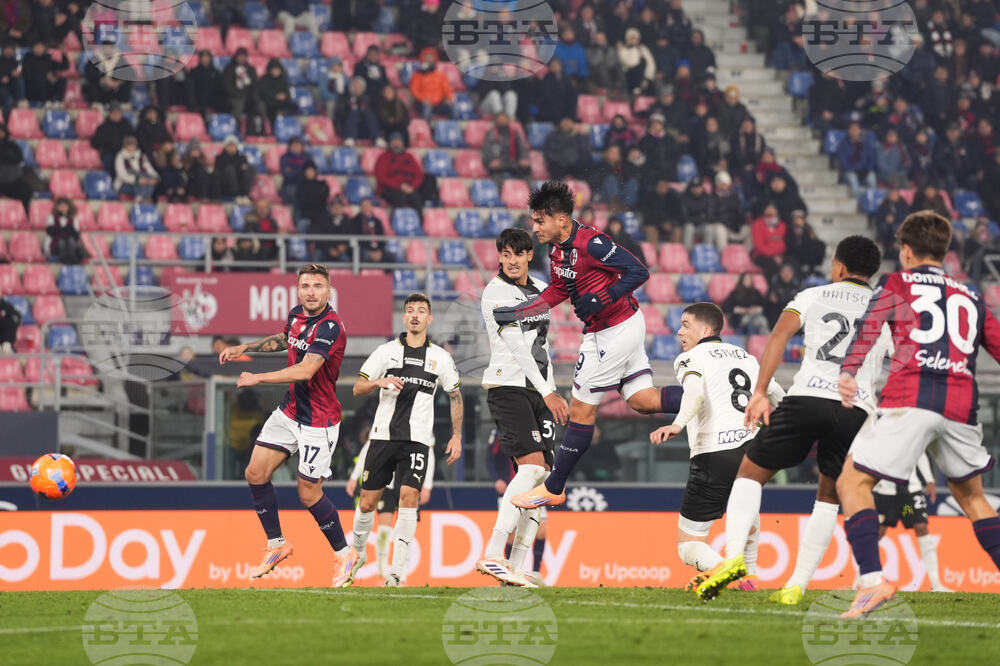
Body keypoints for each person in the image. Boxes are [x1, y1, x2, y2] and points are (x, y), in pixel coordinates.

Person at [692, 236, 890, 603]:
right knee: (829, 495)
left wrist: (760, 392)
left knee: (750, 473)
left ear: (840, 267)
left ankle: (734, 556)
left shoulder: (813, 295)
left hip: (807, 397)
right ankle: (797, 584)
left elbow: (779, 334)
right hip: (856, 409)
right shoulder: (886, 308)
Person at [833, 212, 1000, 618]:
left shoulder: (896, 282)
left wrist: (849, 372)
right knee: (973, 498)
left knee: (852, 481)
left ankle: (872, 581)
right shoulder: (971, 294)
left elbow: (869, 328)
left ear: (905, 251)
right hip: (961, 406)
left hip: (911, 397)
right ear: (944, 251)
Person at [493, 181, 683, 508]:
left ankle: (554, 486)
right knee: (642, 400)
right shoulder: (555, 251)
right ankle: (707, 396)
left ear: (562, 220)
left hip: (616, 329)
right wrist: (520, 312)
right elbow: (557, 291)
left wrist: (604, 296)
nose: (534, 227)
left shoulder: (592, 243)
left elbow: (638, 271)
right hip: (608, 330)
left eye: (539, 221)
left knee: (580, 408)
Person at [218, 263, 359, 587]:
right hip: (291, 410)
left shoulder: (331, 327)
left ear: (328, 290)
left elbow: (305, 371)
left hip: (318, 420)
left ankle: (344, 553)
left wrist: (258, 376)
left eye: (317, 286)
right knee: (255, 473)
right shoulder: (297, 315)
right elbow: (285, 338)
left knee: (308, 494)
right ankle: (277, 544)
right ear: (298, 289)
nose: (311, 292)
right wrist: (246, 348)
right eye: (306, 286)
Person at [650, 303, 784, 591]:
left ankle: (727, 570)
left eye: (686, 325)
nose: (679, 331)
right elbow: (776, 393)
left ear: (706, 330)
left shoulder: (690, 357)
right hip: (755, 447)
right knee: (747, 510)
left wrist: (678, 423)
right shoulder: (746, 356)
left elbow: (695, 393)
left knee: (688, 546)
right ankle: (749, 578)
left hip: (715, 451)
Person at [346, 293, 464, 587]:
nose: (415, 315)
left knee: (408, 499)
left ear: (429, 319)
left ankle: (397, 572)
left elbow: (455, 395)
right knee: (367, 504)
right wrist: (378, 382)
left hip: (418, 441)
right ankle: (357, 555)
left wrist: (457, 435)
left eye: (421, 311)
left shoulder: (440, 357)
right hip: (383, 437)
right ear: (404, 317)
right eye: (410, 310)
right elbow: (357, 388)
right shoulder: (386, 352)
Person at [476, 229, 569, 587]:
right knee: (531, 469)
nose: (511, 260)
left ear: (531, 255)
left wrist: (550, 387)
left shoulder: (541, 288)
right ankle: (493, 553)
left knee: (542, 478)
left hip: (540, 388)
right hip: (509, 386)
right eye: (505, 254)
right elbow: (516, 347)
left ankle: (514, 568)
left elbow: (540, 346)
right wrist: (549, 392)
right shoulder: (495, 293)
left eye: (518, 253)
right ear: (499, 256)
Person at [345, 436, 435, 581]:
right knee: (384, 529)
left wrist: (427, 484)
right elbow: (369, 449)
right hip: (387, 482)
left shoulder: (421, 418)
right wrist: (354, 476)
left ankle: (401, 573)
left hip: (407, 479)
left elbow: (428, 452)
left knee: (406, 525)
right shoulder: (385, 421)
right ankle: (381, 571)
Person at [872, 453, 950, 592]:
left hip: (910, 493)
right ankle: (861, 580)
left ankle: (936, 584)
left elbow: (919, 452)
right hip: (884, 491)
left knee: (921, 526)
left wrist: (929, 480)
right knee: (877, 531)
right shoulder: (877, 431)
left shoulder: (911, 431)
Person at [374, 133, 426, 211]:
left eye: (398, 141)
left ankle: (420, 221)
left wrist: (412, 186)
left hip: (409, 187)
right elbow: (381, 177)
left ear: (402, 144)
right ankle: (395, 220)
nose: (396, 144)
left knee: (416, 198)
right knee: (401, 196)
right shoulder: (383, 157)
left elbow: (418, 175)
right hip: (389, 189)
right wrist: (400, 186)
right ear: (389, 144)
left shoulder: (409, 157)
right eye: (394, 142)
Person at [222, 47, 265, 132]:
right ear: (236, 57)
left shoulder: (251, 69)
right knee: (238, 105)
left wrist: (253, 96)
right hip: (235, 97)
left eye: (243, 56)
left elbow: (255, 86)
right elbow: (227, 86)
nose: (241, 58)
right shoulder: (229, 69)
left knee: (261, 105)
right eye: (239, 56)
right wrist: (238, 94)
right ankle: (237, 129)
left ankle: (262, 128)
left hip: (249, 97)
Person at [481, 112, 530, 183]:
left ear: (508, 120)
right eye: (499, 119)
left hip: (513, 163)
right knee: (496, 176)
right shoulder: (491, 134)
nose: (502, 120)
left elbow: (521, 148)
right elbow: (486, 150)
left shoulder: (515, 133)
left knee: (526, 170)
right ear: (495, 120)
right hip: (499, 165)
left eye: (503, 118)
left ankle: (528, 191)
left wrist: (523, 158)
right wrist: (491, 161)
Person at [334, 77, 382, 146]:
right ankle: (350, 137)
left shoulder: (369, 100)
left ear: (363, 88)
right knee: (354, 112)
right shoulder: (344, 99)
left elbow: (374, 116)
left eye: (359, 87)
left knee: (367, 112)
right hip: (348, 129)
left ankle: (378, 138)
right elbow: (339, 115)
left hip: (365, 130)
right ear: (351, 88)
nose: (357, 89)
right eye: (355, 86)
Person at [409, 47, 453, 120]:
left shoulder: (441, 74)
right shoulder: (418, 74)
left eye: (431, 57)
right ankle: (426, 129)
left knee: (452, 106)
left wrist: (449, 98)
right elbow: (414, 90)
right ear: (423, 58)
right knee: (427, 108)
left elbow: (447, 89)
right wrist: (423, 99)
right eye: (427, 57)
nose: (429, 59)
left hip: (439, 104)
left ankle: (452, 128)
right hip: (424, 103)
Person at [90, 103, 133, 175]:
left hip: (125, 153)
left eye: (118, 112)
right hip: (109, 153)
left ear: (121, 113)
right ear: (109, 113)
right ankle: (109, 181)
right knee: (109, 161)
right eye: (113, 112)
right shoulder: (103, 127)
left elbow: (133, 140)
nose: (116, 114)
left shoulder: (127, 126)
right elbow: (94, 143)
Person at [837, 122, 878, 197]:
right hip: (850, 170)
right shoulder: (843, 145)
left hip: (864, 170)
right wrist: (855, 169)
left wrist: (867, 170)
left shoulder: (866, 143)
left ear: (860, 131)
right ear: (849, 131)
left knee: (872, 178)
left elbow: (871, 159)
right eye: (852, 130)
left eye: (856, 129)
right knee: (853, 179)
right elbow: (843, 162)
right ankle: (860, 202)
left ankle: (872, 200)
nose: (855, 132)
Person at [0, 122, 32, 214]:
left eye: (1, 131)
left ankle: (27, 216)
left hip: (13, 182)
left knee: (26, 191)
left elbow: (19, 158)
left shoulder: (13, 146)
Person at [114, 136, 158, 201]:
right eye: (129, 145)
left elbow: (149, 168)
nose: (131, 147)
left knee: (149, 178)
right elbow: (122, 175)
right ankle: (141, 199)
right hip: (125, 184)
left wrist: (155, 178)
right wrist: (137, 180)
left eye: (133, 145)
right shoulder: (120, 157)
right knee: (140, 176)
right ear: (125, 146)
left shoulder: (141, 156)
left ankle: (144, 198)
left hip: (142, 181)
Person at [750, 204, 786, 278]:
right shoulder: (758, 224)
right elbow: (759, 245)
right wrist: (773, 255)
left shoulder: (782, 225)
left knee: (790, 264)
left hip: (780, 256)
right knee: (772, 266)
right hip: (761, 255)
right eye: (768, 208)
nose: (770, 210)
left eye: (773, 208)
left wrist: (779, 255)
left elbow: (783, 243)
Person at [257, 58, 297, 126]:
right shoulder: (264, 79)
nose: (276, 71)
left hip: (282, 103)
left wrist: (284, 96)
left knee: (294, 106)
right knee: (271, 112)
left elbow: (288, 92)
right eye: (274, 69)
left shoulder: (283, 79)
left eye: (277, 69)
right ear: (270, 70)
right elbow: (263, 92)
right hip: (270, 104)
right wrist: (276, 96)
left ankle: (286, 122)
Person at [44, 197, 84, 264]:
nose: (63, 207)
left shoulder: (73, 218)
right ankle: (64, 258)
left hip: (70, 241)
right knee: (61, 241)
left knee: (70, 240)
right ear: (57, 207)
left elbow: (76, 233)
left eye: (65, 205)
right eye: (61, 205)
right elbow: (50, 231)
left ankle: (71, 258)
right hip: (56, 242)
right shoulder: (52, 217)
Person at [186, 50, 224, 115]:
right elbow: (191, 91)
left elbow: (220, 89)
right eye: (203, 57)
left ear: (210, 59)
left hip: (213, 100)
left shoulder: (216, 73)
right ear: (200, 59)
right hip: (198, 100)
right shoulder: (194, 72)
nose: (205, 59)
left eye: (207, 57)